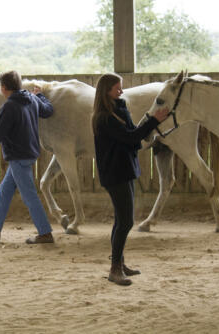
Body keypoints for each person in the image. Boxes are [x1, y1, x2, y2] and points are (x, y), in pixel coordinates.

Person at [92, 73, 169, 286]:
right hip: (115, 172)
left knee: (122, 220)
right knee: (125, 221)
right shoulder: (104, 118)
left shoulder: (119, 109)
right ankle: (115, 268)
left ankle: (119, 262)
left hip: (124, 169)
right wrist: (154, 120)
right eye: (117, 89)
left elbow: (133, 133)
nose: (121, 92)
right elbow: (130, 137)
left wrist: (151, 127)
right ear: (106, 91)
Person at [0, 70, 55, 244]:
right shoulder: (31, 99)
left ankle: (45, 233)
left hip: (18, 156)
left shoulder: (9, 106)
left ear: (3, 88)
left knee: (29, 196)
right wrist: (40, 96)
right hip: (28, 154)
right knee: (5, 191)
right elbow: (48, 111)